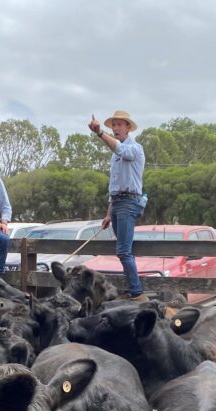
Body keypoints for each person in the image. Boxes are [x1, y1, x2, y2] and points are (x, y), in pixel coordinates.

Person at [89, 109, 147, 301]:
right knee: (122, 250)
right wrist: (108, 214)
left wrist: (99, 133)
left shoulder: (135, 148)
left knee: (123, 251)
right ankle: (133, 290)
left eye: (119, 124)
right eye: (113, 125)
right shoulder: (114, 156)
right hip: (117, 202)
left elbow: (120, 149)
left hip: (129, 202)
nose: (115, 128)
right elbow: (114, 187)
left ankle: (137, 293)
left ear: (128, 127)